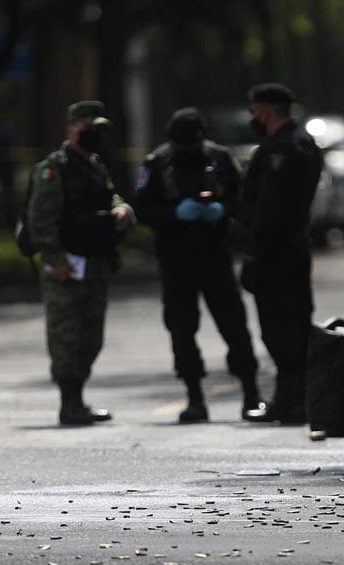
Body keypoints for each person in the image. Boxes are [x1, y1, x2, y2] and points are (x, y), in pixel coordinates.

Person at [133, 107, 264, 424]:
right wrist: (175, 214)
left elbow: (243, 198)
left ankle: (251, 394)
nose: (187, 150)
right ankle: (194, 398)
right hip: (175, 259)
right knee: (181, 329)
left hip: (215, 255)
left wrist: (222, 209)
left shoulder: (219, 158)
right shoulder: (157, 163)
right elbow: (142, 208)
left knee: (234, 325)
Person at [28, 100, 135, 426]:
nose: (94, 135)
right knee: (66, 336)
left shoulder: (96, 165)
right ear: (71, 130)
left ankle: (79, 397)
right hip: (66, 266)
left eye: (98, 129)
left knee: (92, 337)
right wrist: (55, 259)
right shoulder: (53, 170)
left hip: (95, 262)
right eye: (88, 129)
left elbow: (112, 196)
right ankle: (69, 402)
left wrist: (123, 210)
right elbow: (40, 221)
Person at [238, 83, 324, 425]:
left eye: (254, 112)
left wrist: (253, 255)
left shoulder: (281, 150)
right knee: (294, 323)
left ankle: (292, 400)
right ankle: (291, 397)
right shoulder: (303, 142)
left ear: (265, 112)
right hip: (294, 248)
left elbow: (269, 211)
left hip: (275, 253)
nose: (253, 119)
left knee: (280, 327)